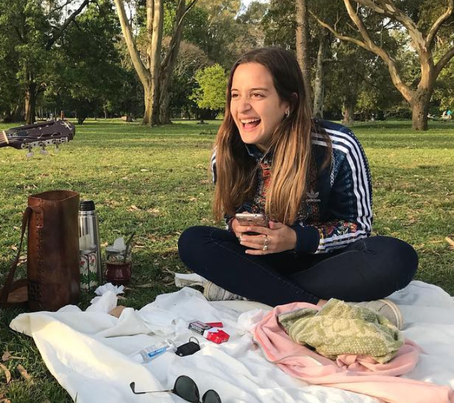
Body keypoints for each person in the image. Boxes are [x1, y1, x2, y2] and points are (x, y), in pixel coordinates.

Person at [178, 47, 418, 325]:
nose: (242, 107)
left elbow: (358, 226)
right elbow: (232, 215)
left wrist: (295, 238)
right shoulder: (226, 152)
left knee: (396, 257)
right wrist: (236, 226)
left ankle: (250, 288)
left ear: (288, 103)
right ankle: (318, 307)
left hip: (323, 262)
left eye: (257, 94)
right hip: (260, 259)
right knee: (193, 241)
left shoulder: (337, 146)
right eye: (235, 94)